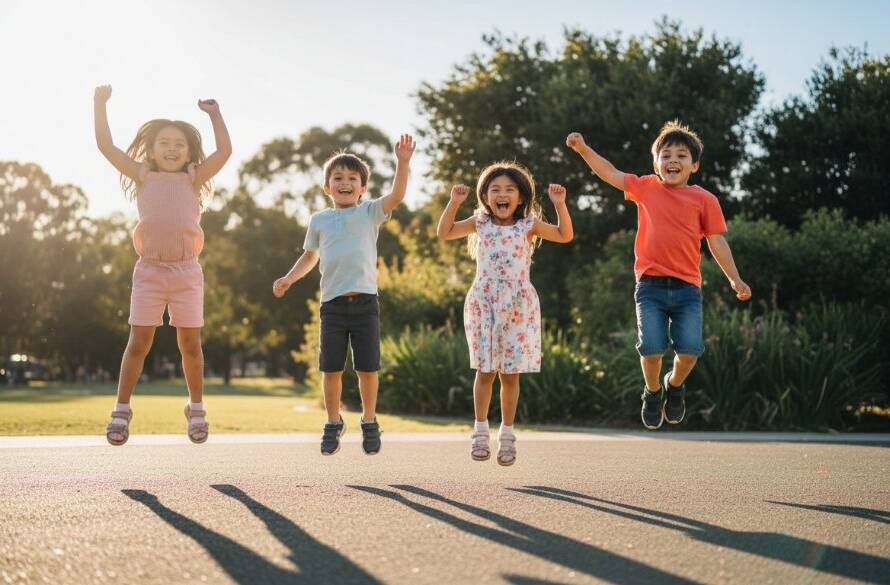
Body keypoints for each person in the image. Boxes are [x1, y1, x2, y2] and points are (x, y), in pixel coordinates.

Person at [566, 121, 751, 430]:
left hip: (687, 289)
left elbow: (716, 241)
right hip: (650, 286)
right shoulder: (646, 187)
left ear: (695, 165)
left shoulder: (705, 200)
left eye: (681, 155)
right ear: (656, 163)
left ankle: (674, 385)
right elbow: (610, 173)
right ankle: (652, 392)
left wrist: (735, 278)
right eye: (665, 155)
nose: (673, 161)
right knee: (651, 348)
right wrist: (583, 149)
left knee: (690, 351)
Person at [94, 84, 231, 445]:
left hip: (187, 272)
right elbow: (106, 147)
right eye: (164, 143)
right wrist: (100, 104)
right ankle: (121, 410)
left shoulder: (194, 177)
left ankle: (196, 408)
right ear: (151, 150)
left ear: (188, 153)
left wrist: (215, 115)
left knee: (190, 344)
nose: (172, 149)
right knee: (139, 342)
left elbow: (225, 152)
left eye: (179, 144)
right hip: (150, 271)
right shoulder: (142, 175)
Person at [273, 135, 416, 456]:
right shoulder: (319, 220)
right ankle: (333, 422)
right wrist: (288, 279)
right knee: (331, 369)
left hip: (365, 304)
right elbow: (310, 257)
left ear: (363, 188)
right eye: (338, 178)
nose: (345, 183)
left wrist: (403, 162)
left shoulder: (369, 213)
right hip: (333, 306)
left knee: (368, 368)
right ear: (327, 187)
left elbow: (396, 195)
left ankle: (368, 421)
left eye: (353, 178)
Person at [436, 161, 573, 466]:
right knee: (485, 372)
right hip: (484, 303)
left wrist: (560, 204)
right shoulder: (480, 222)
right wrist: (454, 202)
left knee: (510, 375)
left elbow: (564, 235)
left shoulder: (528, 225)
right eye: (495, 189)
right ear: (485, 196)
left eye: (509, 189)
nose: (502, 194)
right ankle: (480, 432)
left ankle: (507, 436)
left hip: (517, 305)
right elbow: (444, 232)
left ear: (521, 198)